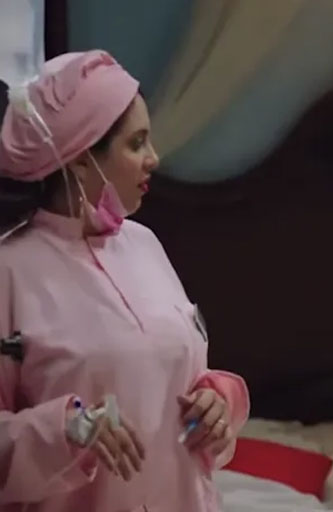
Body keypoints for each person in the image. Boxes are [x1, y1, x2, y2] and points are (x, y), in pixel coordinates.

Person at [0, 50, 250, 510]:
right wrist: (67, 429)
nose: (154, 159)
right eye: (136, 144)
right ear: (80, 159)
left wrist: (219, 403)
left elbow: (181, 375)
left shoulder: (145, 245)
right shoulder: (10, 270)